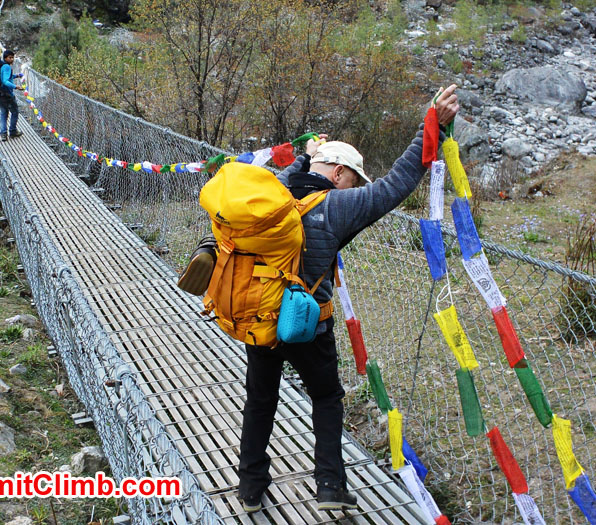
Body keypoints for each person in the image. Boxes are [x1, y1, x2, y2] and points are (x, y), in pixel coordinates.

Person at [178, 85, 460, 513]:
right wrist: (431, 128)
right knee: (327, 399)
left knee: (260, 401)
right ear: (341, 174)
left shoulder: (272, 190)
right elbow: (397, 184)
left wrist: (308, 156)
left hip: (260, 318)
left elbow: (296, 176)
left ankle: (250, 489)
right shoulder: (339, 206)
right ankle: (329, 485)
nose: (355, 184)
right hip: (311, 323)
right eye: (353, 177)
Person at [0, 49, 24, 142]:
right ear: (5, 58)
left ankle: (3, 134)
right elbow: (5, 81)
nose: (12, 59)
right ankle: (12, 131)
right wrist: (15, 86)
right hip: (7, 94)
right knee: (15, 112)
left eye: (13, 57)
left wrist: (16, 76)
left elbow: (6, 77)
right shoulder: (7, 67)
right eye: (10, 57)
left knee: (4, 113)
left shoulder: (1, 66)